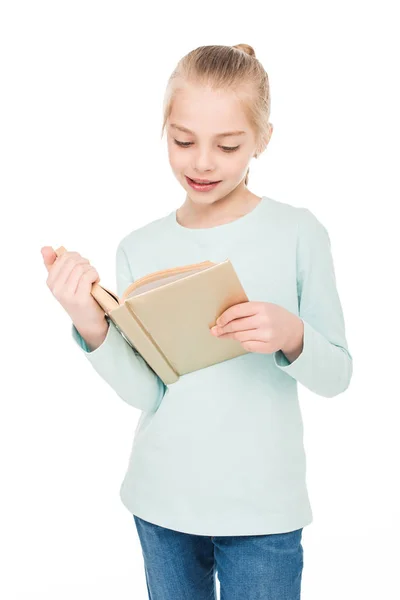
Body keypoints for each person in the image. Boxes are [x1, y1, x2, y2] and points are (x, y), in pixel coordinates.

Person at [42, 43, 353, 600]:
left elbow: (338, 376)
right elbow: (148, 390)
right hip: (161, 500)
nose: (202, 162)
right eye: (183, 141)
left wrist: (291, 335)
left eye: (227, 145)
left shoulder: (298, 232)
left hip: (263, 507)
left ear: (263, 139)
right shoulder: (139, 246)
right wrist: (90, 323)